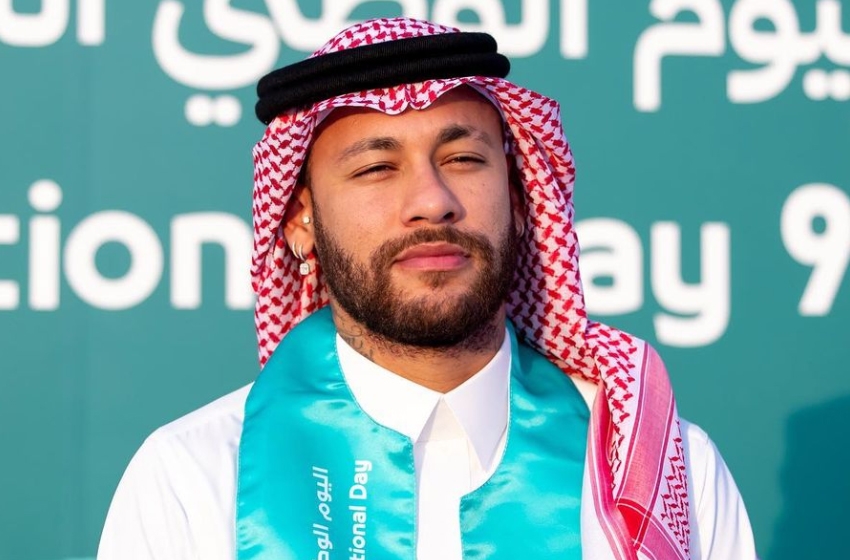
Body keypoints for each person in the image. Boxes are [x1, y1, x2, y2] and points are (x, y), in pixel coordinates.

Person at [98, 17, 756, 560]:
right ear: (299, 218)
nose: (432, 201)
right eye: (376, 168)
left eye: (463, 159)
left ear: (519, 197)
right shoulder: (193, 478)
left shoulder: (655, 471)